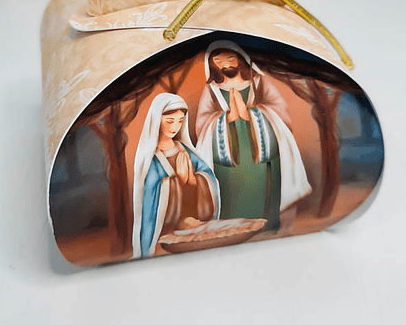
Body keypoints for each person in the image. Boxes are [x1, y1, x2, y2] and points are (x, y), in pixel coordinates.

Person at [195, 40, 311, 233]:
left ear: (241, 59)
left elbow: (280, 110)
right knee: (231, 193)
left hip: (262, 149)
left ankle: (267, 227)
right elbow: (202, 122)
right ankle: (232, 230)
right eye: (218, 60)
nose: (225, 64)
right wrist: (227, 118)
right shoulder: (211, 90)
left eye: (230, 58)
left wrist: (251, 114)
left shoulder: (259, 82)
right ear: (212, 64)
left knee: (263, 190)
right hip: (228, 154)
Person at [132, 93, 219, 258]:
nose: (175, 127)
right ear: (157, 120)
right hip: (166, 228)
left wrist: (194, 180)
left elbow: (208, 177)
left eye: (180, 121)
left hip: (193, 219)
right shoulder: (152, 159)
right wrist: (176, 182)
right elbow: (151, 198)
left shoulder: (184, 150)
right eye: (169, 121)